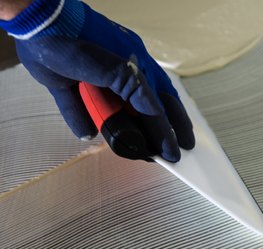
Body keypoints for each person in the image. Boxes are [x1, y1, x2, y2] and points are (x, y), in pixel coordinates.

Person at [0, 0, 195, 163]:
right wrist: (51, 20)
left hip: (25, 33)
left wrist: (27, 25)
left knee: (81, 112)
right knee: (130, 83)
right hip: (38, 30)